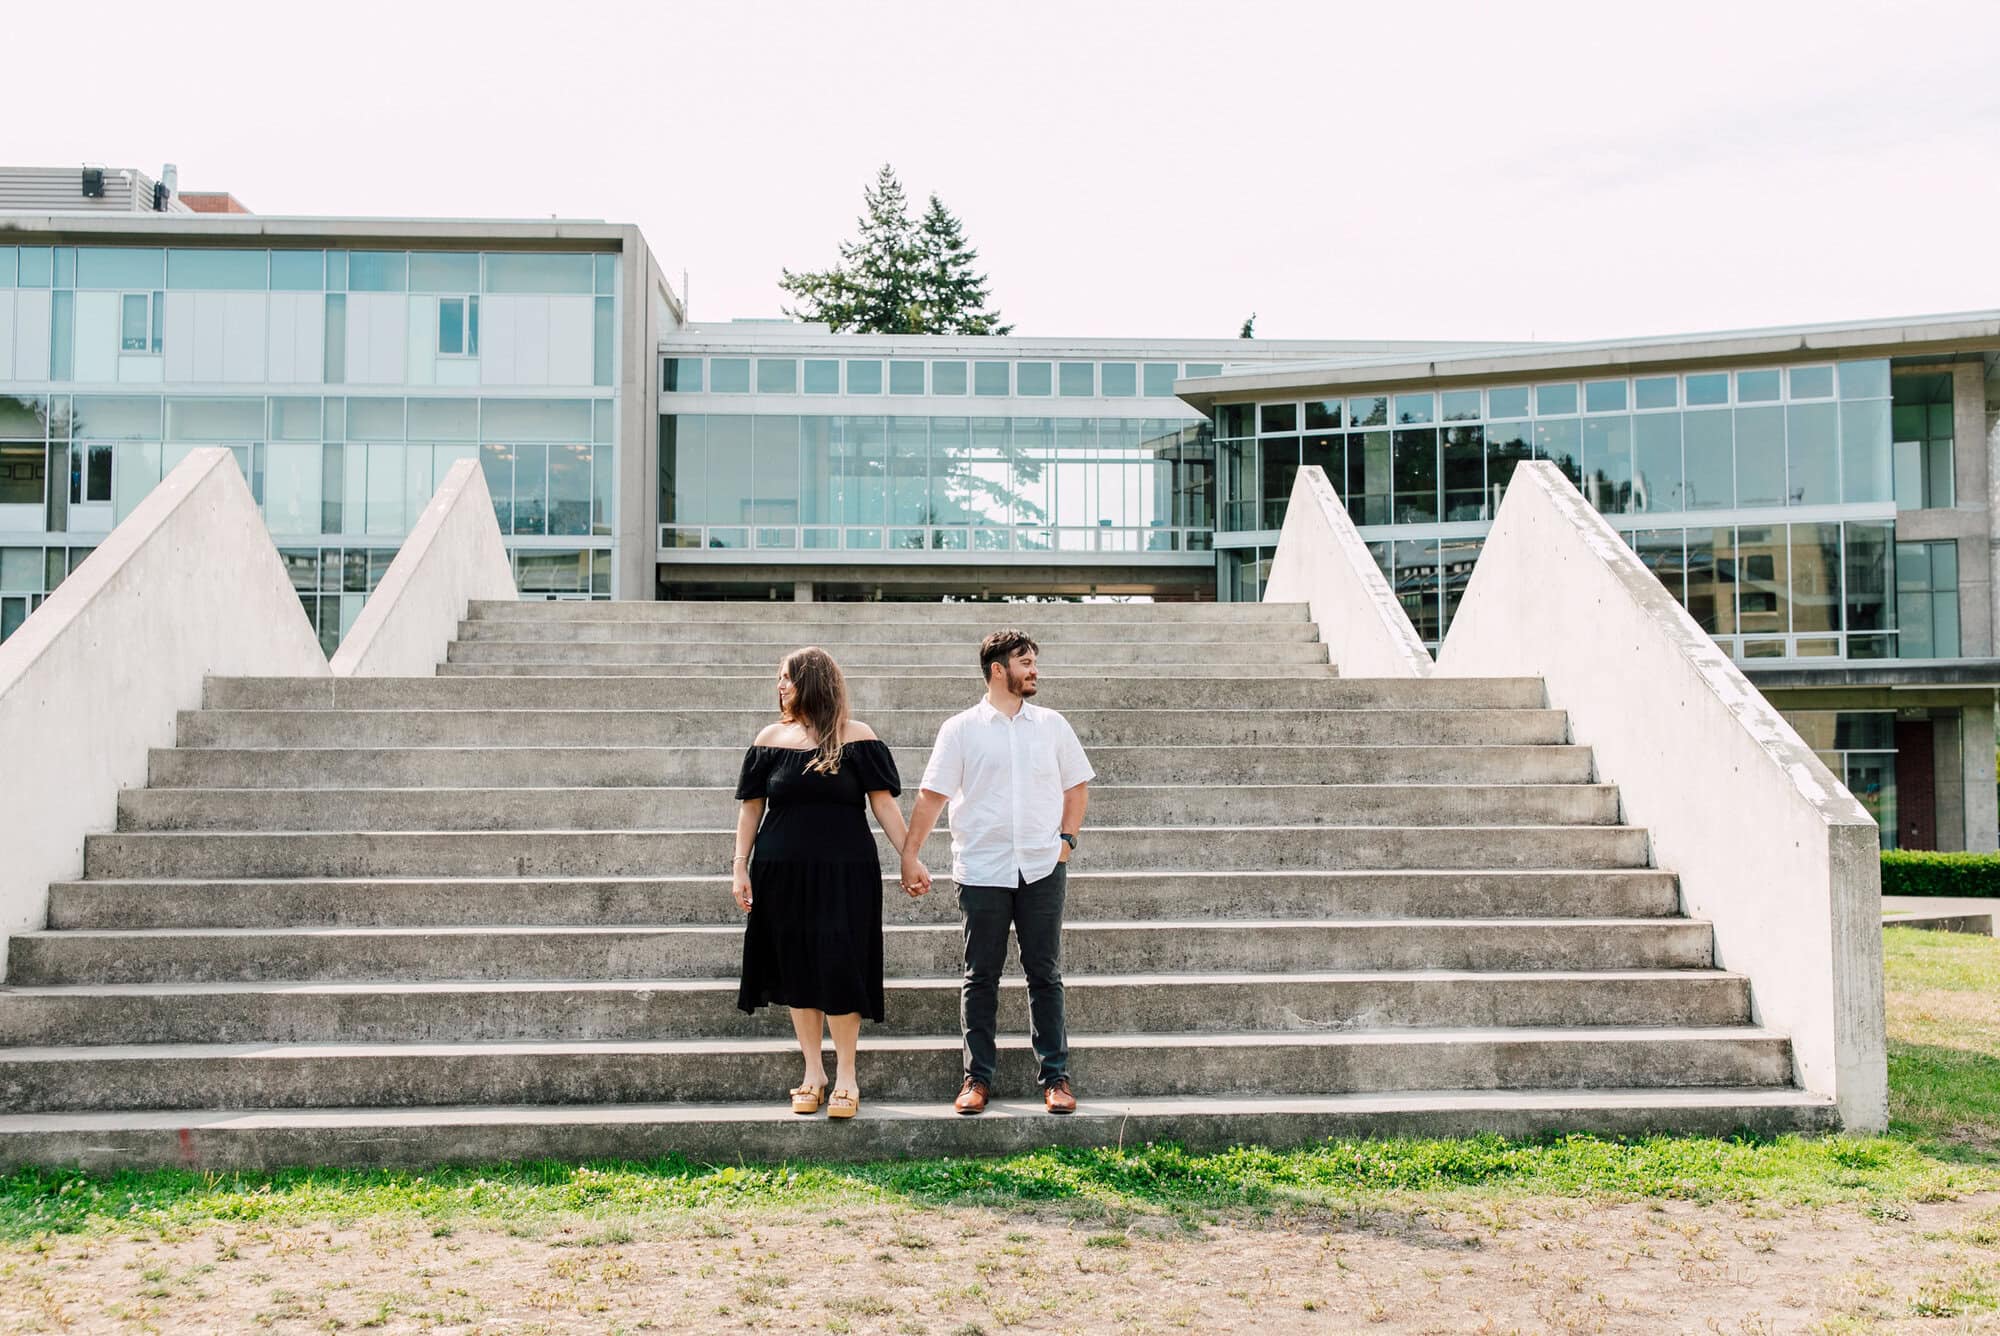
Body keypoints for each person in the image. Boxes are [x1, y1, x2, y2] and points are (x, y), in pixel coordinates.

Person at [900, 628, 1094, 1115]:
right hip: (982, 870)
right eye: (1025, 662)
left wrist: (1066, 842)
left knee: (1044, 974)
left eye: (1034, 661)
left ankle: (1055, 1078)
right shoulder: (961, 729)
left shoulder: (1052, 725)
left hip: (1041, 868)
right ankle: (976, 1080)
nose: (1034, 670)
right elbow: (932, 796)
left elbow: (1077, 787)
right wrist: (910, 853)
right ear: (997, 670)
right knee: (980, 976)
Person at [733, 646, 917, 1120]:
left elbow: (884, 805)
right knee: (796, 968)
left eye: (787, 678)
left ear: (812, 682)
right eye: (779, 678)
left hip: (844, 873)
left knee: (840, 964)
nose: (780, 687)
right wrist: (739, 866)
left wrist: (909, 856)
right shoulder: (770, 738)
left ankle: (848, 1075)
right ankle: (813, 1073)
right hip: (780, 873)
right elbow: (752, 807)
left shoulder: (857, 738)